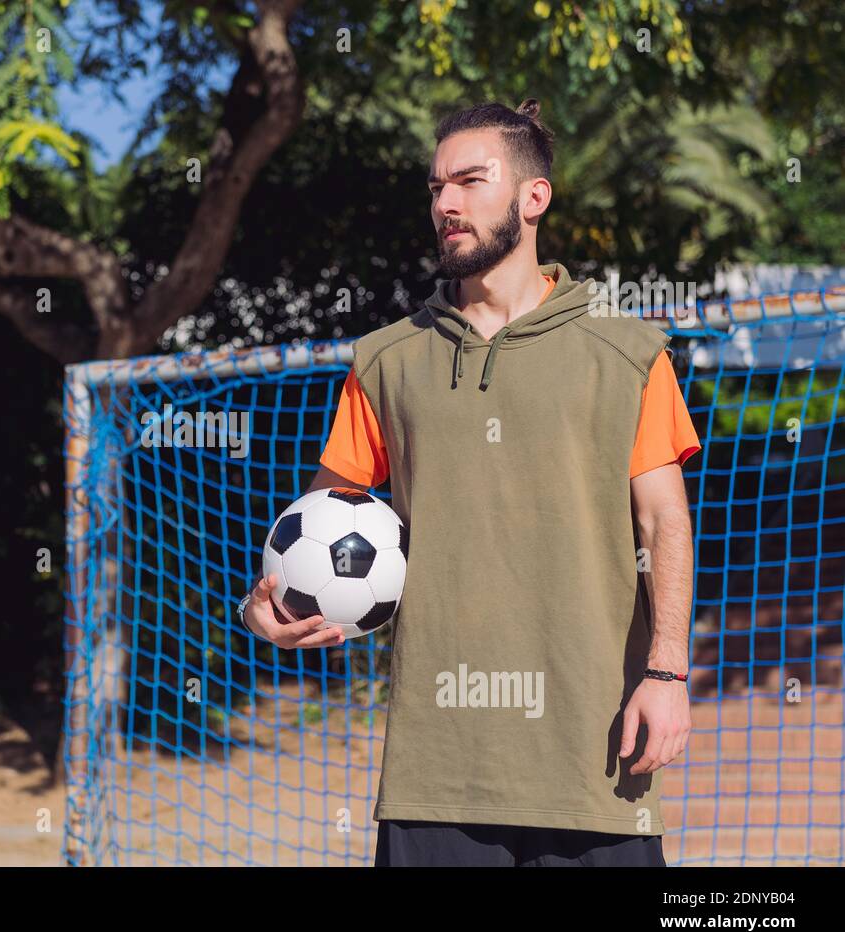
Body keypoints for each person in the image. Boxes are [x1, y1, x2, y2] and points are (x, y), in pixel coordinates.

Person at [238, 99, 701, 866]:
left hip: (594, 758)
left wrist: (666, 671)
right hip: (435, 772)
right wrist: (264, 607)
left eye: (469, 181)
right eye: (434, 187)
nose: (445, 203)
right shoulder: (387, 361)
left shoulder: (625, 353)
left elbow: (663, 523)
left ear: (533, 196)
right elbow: (316, 528)